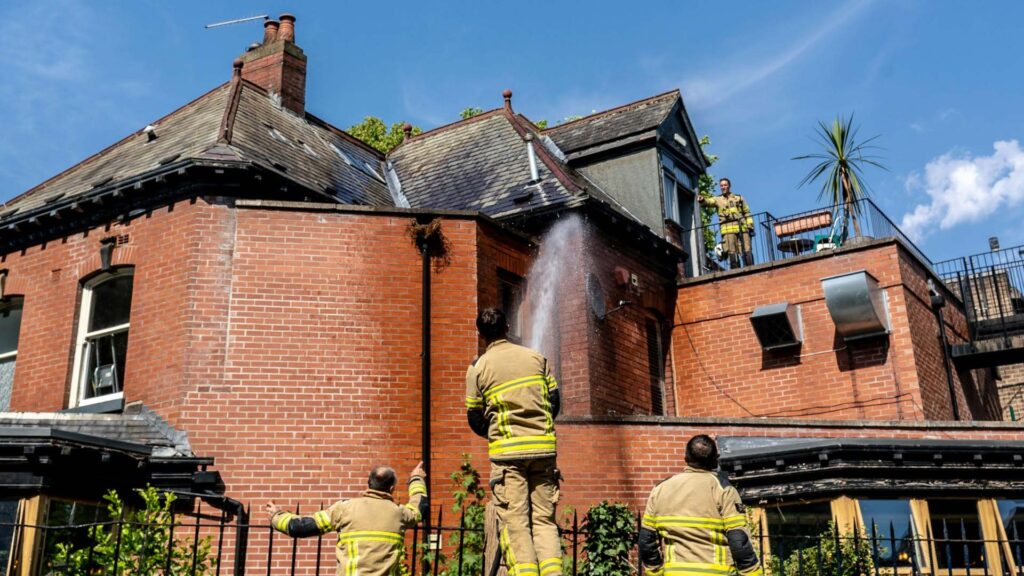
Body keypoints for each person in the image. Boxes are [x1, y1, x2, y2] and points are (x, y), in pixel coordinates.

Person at [466, 308, 562, 576]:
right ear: (507, 326)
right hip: (543, 450)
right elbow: (554, 403)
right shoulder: (536, 358)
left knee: (516, 523)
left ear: (481, 334)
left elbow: (474, 417)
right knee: (544, 521)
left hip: (507, 458)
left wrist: (499, 433)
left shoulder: (477, 368)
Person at [266, 462, 428, 576]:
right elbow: (420, 508)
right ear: (392, 488)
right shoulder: (398, 513)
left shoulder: (345, 509)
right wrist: (416, 478)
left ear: (368, 483)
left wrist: (276, 516)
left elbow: (302, 527)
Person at [639, 435, 762, 576]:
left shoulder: (660, 489)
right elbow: (738, 540)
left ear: (686, 458)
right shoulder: (723, 490)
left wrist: (656, 572)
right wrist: (752, 573)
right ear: (715, 459)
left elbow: (646, 541)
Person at [699, 178, 754, 269]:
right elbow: (708, 202)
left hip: (742, 228)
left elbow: (747, 212)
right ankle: (735, 272)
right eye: (721, 185)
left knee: (746, 250)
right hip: (728, 230)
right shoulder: (717, 199)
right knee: (731, 252)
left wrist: (750, 226)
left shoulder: (738, 198)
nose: (723, 187)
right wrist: (702, 200)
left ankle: (751, 270)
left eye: (725, 185)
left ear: (729, 186)